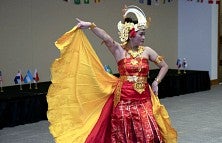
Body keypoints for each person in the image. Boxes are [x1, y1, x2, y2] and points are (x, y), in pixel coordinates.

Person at [47, 5, 177, 143]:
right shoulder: (119, 50)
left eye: (144, 34)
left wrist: (156, 82)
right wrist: (91, 25)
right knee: (123, 132)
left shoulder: (148, 51)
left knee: (148, 131)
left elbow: (164, 66)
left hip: (143, 98)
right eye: (141, 34)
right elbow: (107, 38)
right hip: (123, 99)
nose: (144, 37)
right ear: (131, 34)